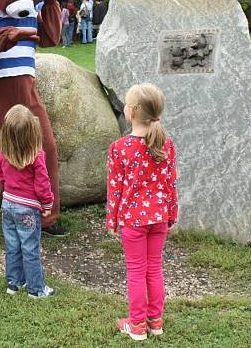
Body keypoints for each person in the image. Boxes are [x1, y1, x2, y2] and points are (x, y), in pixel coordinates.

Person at [106, 84, 178, 341]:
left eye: (126, 103)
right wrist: (171, 213)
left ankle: (136, 325)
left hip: (133, 221)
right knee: (154, 268)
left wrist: (112, 220)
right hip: (159, 218)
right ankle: (155, 322)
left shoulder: (120, 148)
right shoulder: (166, 144)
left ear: (132, 112)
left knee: (136, 270)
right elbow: (171, 182)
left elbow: (115, 189)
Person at [0, 105, 55, 299]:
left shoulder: (2, 154)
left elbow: (1, 176)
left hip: (8, 204)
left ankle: (14, 283)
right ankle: (36, 289)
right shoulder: (37, 157)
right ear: (33, 133)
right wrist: (47, 205)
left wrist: (7, 189)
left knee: (12, 246)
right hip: (28, 209)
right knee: (30, 248)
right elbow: (42, 184)